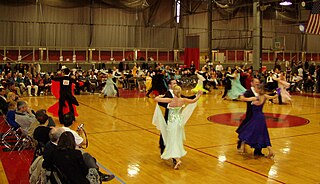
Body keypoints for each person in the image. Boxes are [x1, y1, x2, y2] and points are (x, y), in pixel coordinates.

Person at [153, 85, 202, 169]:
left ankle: (177, 159)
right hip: (179, 123)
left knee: (171, 140)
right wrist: (199, 95)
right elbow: (193, 100)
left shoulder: (170, 100)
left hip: (172, 123)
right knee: (176, 140)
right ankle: (177, 158)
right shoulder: (183, 100)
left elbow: (156, 99)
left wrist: (159, 96)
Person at [237, 84, 276, 158]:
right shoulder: (265, 96)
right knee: (264, 134)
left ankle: (242, 147)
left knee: (247, 132)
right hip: (262, 118)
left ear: (258, 90)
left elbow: (244, 99)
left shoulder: (255, 98)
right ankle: (270, 151)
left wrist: (241, 94)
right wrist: (278, 92)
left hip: (255, 118)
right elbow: (273, 97)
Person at [236, 78, 265, 156]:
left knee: (259, 133)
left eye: (258, 83)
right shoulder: (249, 92)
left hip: (258, 117)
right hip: (250, 116)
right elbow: (241, 98)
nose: (257, 84)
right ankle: (241, 142)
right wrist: (250, 99)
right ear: (252, 83)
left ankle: (258, 150)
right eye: (256, 82)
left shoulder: (260, 92)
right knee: (246, 132)